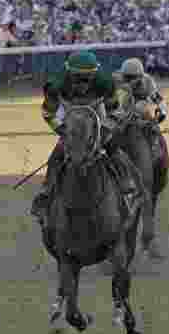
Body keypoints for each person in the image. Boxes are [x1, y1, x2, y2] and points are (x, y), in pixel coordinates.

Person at [30, 50, 137, 223]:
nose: (83, 84)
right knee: (60, 151)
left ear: (95, 74)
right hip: (70, 110)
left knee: (111, 146)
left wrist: (104, 131)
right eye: (78, 79)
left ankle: (127, 186)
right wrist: (64, 131)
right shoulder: (56, 84)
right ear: (69, 74)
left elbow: (115, 111)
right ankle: (46, 193)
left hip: (97, 109)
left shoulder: (105, 82)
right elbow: (48, 113)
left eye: (87, 79)